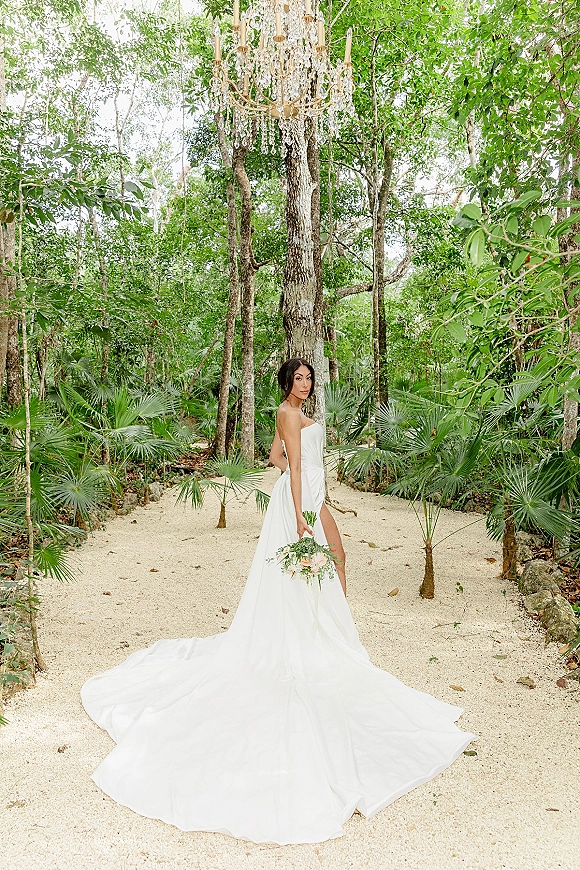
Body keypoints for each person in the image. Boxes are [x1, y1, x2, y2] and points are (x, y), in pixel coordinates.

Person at [81, 357, 477, 845]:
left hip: (312, 495)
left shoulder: (287, 414)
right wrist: (300, 515)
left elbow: (275, 457)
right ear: (288, 384)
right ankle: (320, 637)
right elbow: (287, 470)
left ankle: (333, 632)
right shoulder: (289, 414)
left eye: (309, 377)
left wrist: (306, 485)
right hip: (301, 505)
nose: (305, 384)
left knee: (339, 557)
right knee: (324, 560)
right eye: (298, 379)